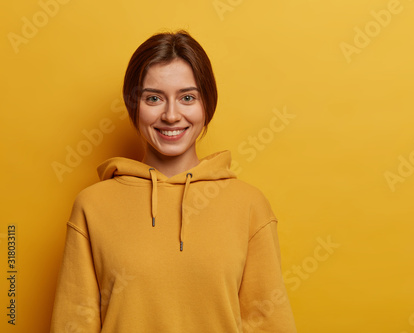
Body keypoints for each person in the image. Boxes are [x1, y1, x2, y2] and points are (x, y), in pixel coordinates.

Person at [50, 30, 297, 333]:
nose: (170, 115)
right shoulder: (92, 205)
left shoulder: (249, 206)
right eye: (153, 98)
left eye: (187, 97)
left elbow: (268, 323)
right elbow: (74, 323)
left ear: (207, 105)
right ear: (133, 106)